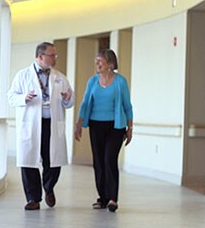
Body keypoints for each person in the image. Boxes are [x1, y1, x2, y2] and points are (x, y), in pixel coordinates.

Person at [7, 42, 74, 210]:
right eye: (52, 55)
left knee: (53, 161)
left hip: (51, 124)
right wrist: (24, 98)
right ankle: (33, 199)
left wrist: (67, 98)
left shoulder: (59, 77)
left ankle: (49, 187)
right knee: (28, 161)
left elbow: (70, 101)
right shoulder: (23, 75)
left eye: (55, 55)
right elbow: (11, 97)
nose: (55, 58)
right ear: (40, 57)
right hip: (31, 124)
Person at [74, 49, 133, 212]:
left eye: (100, 60)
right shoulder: (92, 81)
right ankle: (103, 197)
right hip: (96, 125)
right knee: (98, 162)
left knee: (109, 160)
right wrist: (79, 124)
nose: (97, 63)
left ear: (111, 64)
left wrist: (130, 128)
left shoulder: (120, 82)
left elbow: (127, 106)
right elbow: (85, 103)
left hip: (116, 126)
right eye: (96, 60)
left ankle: (113, 198)